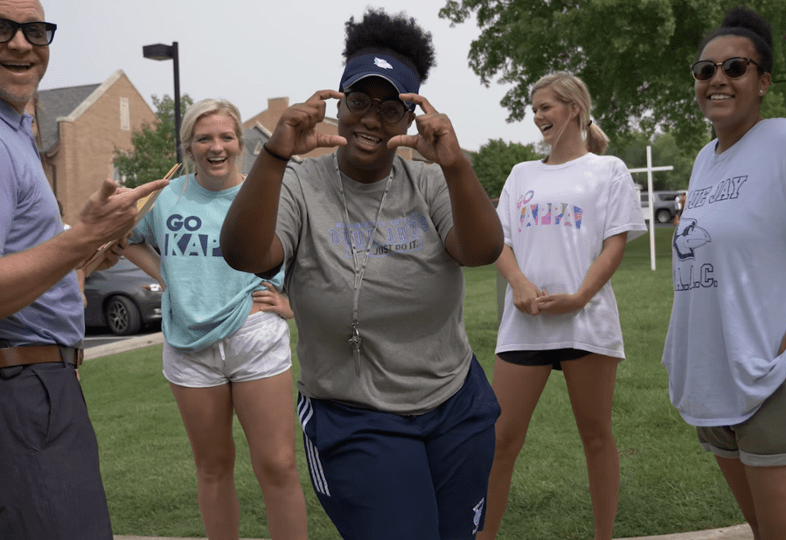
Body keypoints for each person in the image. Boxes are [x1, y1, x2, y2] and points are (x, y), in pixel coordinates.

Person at [220, 8, 504, 540]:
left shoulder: (429, 178)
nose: (371, 118)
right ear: (338, 103)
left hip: (454, 405)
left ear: (410, 115)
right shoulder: (303, 182)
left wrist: (456, 165)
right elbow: (245, 253)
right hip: (356, 417)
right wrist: (275, 154)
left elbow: (482, 249)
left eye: (390, 107)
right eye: (358, 101)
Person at [0, 1, 168, 538]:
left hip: (39, 384)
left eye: (34, 29)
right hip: (24, 391)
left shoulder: (19, 131)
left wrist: (88, 255)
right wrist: (87, 234)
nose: (21, 43)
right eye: (2, 27)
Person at [123, 98, 307, 540]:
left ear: (240, 143)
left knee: (278, 465)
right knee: (212, 467)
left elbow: (310, 253)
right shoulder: (168, 197)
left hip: (254, 333)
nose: (216, 147)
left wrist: (290, 303)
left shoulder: (265, 194)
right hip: (189, 346)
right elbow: (127, 239)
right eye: (204, 138)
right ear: (189, 146)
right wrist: (167, 276)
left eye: (226, 137)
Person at [662, 6, 786, 540]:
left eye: (736, 68)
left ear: (764, 80)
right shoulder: (706, 159)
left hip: (772, 382)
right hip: (715, 383)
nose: (717, 79)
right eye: (706, 70)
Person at [479, 73, 646, 540]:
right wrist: (519, 284)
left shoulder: (608, 170)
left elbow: (614, 246)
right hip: (524, 325)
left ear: (573, 108)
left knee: (596, 435)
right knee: (499, 441)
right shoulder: (521, 175)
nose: (537, 116)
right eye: (534, 109)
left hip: (585, 324)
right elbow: (499, 243)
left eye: (546, 107)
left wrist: (578, 298)